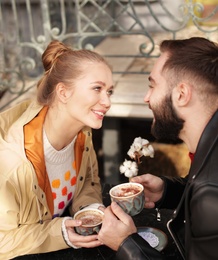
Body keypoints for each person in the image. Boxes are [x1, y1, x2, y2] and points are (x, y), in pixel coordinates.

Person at [98, 37, 218, 260]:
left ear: (181, 94)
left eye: (152, 85)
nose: (147, 97)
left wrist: (127, 244)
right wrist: (168, 191)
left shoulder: (210, 195)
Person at [0, 40, 114, 259]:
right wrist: (61, 233)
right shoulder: (10, 162)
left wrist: (89, 209)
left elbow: (87, 182)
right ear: (63, 92)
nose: (107, 101)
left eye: (109, 91)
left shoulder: (83, 133)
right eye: (97, 89)